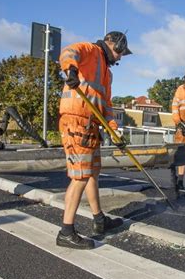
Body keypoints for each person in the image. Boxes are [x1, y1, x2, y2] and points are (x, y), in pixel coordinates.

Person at [56, 31, 132, 250]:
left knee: (92, 174)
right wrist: (70, 69)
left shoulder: (108, 74)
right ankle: (66, 232)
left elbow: (106, 107)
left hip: (92, 125)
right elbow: (69, 52)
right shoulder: (90, 50)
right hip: (76, 121)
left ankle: (99, 220)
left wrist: (115, 131)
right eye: (120, 52)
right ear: (113, 44)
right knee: (80, 176)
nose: (120, 58)